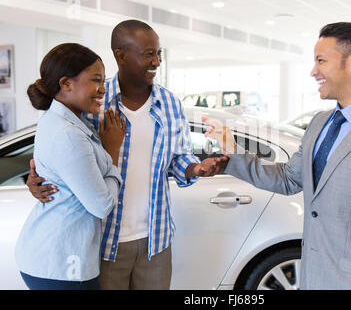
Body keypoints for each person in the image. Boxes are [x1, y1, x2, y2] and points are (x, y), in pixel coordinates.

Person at [204, 22, 351, 289]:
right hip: (314, 278)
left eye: (321, 61)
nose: (313, 71)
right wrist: (233, 152)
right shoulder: (321, 123)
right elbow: (288, 179)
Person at [26, 20, 226, 290]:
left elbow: (180, 157)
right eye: (149, 54)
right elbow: (66, 156)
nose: (156, 61)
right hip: (105, 243)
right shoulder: (92, 100)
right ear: (121, 55)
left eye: (159, 54)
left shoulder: (169, 103)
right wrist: (35, 178)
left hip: (156, 240)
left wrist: (195, 169)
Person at [15, 43, 125, 290]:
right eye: (96, 80)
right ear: (66, 83)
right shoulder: (67, 134)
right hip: (63, 266)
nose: (103, 90)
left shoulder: (65, 119)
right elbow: (102, 205)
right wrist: (113, 151)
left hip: (53, 260)